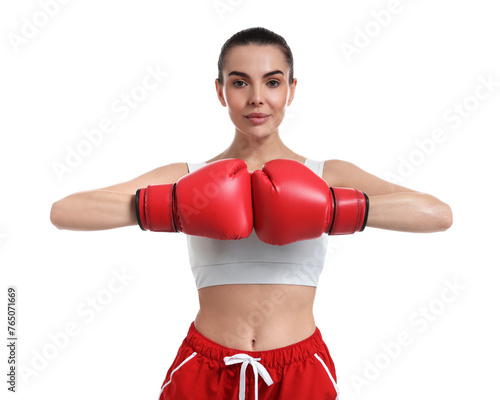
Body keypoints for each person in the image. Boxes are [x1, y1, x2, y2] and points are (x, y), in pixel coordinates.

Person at [50, 27, 453, 400]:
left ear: (291, 90)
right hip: (205, 367)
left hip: (300, 370)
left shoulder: (327, 175)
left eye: (272, 82)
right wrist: (172, 207)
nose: (256, 97)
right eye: (239, 82)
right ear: (220, 91)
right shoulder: (188, 178)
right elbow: (65, 211)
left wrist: (333, 209)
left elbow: (438, 214)